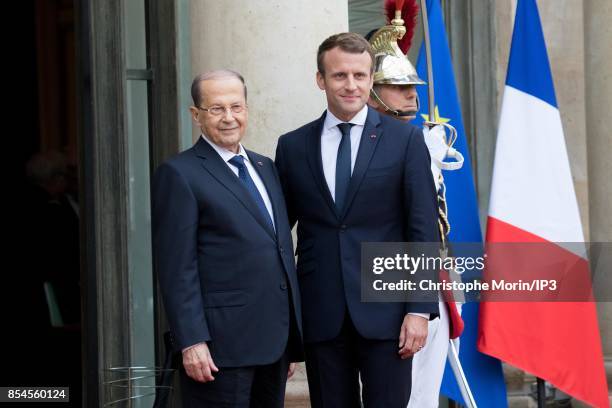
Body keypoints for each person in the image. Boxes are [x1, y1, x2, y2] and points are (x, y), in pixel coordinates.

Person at [275, 33, 439, 407]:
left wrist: (418, 309)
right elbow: (279, 238)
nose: (351, 85)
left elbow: (423, 228)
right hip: (321, 312)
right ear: (321, 80)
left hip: (390, 312)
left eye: (360, 76)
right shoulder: (293, 146)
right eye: (340, 76)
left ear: (370, 80)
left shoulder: (405, 142)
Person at [152, 70, 303, 408]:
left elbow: (278, 250)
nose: (229, 117)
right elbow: (178, 269)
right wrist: (191, 341)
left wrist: (290, 339)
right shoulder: (179, 174)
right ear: (196, 115)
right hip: (219, 349)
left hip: (273, 345)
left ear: (247, 109)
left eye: (236, 106)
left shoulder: (265, 167)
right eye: (216, 109)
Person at [367, 3, 466, 406]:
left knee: (423, 393)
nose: (412, 94)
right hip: (386, 287)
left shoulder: (426, 140)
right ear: (372, 91)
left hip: (433, 281)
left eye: (413, 87)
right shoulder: (370, 147)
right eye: (399, 87)